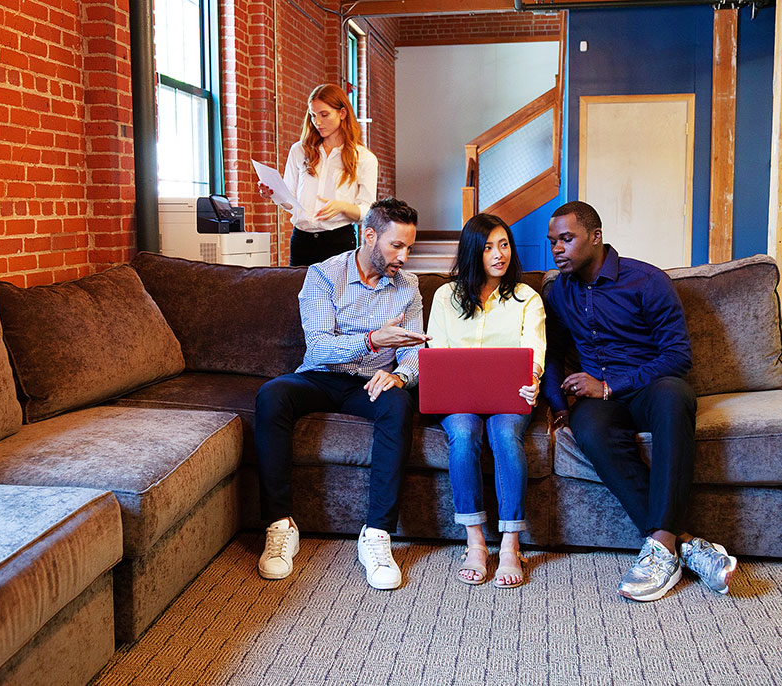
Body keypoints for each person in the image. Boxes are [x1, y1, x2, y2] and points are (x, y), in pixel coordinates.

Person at [541, 200, 738, 602]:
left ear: (595, 237)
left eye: (566, 239)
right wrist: (559, 408)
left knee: (674, 397)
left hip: (649, 386)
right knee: (588, 427)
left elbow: (678, 356)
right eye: (552, 242)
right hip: (599, 400)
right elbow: (552, 353)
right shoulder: (559, 292)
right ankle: (685, 545)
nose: (557, 249)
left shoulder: (646, 281)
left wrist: (610, 385)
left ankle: (661, 547)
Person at [254, 197, 429, 590]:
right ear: (370, 236)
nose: (404, 255)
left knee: (399, 403)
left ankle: (377, 535)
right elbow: (317, 347)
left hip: (370, 382)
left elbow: (416, 351)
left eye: (409, 247)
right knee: (272, 395)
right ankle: (281, 525)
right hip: (320, 376)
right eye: (396, 245)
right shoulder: (323, 275)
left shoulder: (409, 287)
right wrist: (371, 339)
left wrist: (401, 376)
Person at [425, 214, 545, 589]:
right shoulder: (446, 296)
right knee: (463, 432)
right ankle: (475, 542)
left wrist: (533, 379)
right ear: (473, 252)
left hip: (509, 397)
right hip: (457, 398)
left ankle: (510, 545)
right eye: (489, 247)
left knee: (505, 435)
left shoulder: (527, 298)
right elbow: (436, 351)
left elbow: (534, 351)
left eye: (504, 244)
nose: (499, 254)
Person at [258, 83, 378, 266]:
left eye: (324, 114)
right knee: (298, 293)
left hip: (338, 241)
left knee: (337, 295)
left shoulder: (364, 158)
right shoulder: (299, 150)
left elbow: (368, 211)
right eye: (313, 115)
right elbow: (290, 201)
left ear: (342, 113)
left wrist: (342, 206)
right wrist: (274, 194)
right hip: (301, 241)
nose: (318, 122)